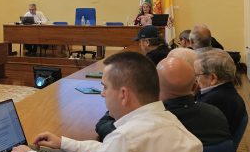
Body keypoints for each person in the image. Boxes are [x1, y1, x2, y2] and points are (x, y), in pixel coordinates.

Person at [10, 51, 209, 152]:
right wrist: (63, 142)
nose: (102, 94)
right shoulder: (167, 120)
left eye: (105, 87)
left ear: (123, 94)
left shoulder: (129, 138)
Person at [96, 57, 231, 145]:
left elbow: (105, 128)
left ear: (156, 86)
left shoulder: (153, 122)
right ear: (195, 86)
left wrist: (117, 104)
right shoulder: (217, 114)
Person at [195, 49, 247, 135]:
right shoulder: (228, 92)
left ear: (212, 78)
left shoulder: (212, 102)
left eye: (197, 75)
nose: (195, 80)